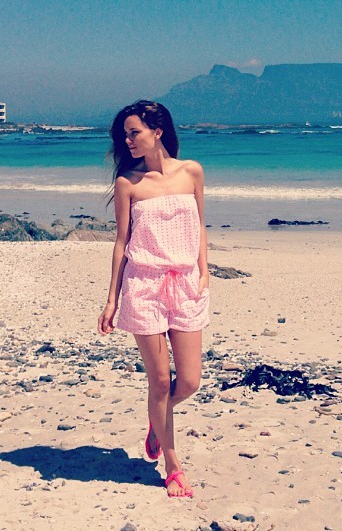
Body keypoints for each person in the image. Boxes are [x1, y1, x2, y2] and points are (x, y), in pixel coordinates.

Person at [98, 100, 210, 498]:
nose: (127, 141)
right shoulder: (128, 183)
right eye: (124, 135)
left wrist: (205, 271)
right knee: (160, 381)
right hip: (143, 286)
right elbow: (121, 243)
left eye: (134, 133)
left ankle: (157, 420)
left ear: (157, 131)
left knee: (190, 381)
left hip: (185, 284)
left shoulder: (191, 171)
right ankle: (174, 467)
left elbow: (200, 226)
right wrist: (111, 300)